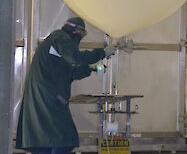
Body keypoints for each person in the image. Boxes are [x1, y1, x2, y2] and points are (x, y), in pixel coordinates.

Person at [16, 17, 116, 154]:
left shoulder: (57, 47)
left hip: (46, 97)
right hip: (48, 98)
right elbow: (75, 57)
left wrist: (91, 68)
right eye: (81, 35)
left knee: (49, 139)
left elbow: (70, 72)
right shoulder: (60, 37)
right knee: (62, 138)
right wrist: (102, 53)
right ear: (75, 31)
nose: (79, 39)